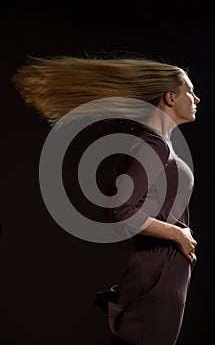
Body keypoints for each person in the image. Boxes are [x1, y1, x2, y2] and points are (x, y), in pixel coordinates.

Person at [12, 53, 200, 345]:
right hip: (155, 282)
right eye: (189, 91)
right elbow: (120, 212)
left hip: (162, 282)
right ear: (170, 98)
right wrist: (177, 234)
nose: (197, 99)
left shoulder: (155, 144)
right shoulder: (152, 145)